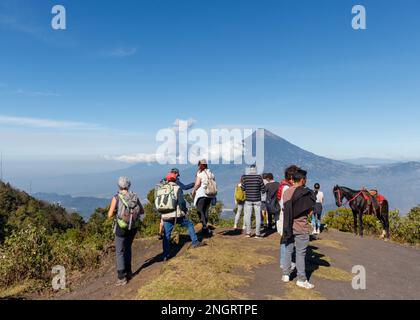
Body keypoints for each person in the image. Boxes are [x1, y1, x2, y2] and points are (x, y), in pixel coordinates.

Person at [282, 169, 316, 290]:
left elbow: (284, 209)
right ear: (302, 180)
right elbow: (310, 210)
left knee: (288, 250)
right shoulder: (306, 194)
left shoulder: (286, 192)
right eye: (305, 179)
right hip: (301, 227)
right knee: (300, 253)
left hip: (287, 226)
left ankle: (286, 274)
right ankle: (301, 279)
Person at [108, 177, 145, 286]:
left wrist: (117, 212)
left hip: (122, 227)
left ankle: (121, 277)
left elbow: (109, 215)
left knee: (120, 251)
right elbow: (142, 211)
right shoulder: (135, 196)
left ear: (119, 186)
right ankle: (129, 273)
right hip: (133, 227)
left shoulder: (117, 197)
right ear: (129, 185)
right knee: (128, 248)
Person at [161, 173, 205, 261]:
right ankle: (195, 242)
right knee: (189, 224)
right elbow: (181, 203)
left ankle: (166, 254)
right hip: (176, 215)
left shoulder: (162, 189)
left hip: (165, 215)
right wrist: (184, 210)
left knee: (166, 235)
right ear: (175, 179)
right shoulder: (177, 188)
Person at [158, 168, 194, 240]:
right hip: (175, 212)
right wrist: (194, 184)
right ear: (176, 174)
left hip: (164, 209)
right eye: (177, 175)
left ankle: (160, 234)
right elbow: (184, 188)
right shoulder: (175, 182)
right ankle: (195, 241)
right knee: (189, 224)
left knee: (166, 231)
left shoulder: (163, 181)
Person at [277, 165, 300, 270]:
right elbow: (286, 205)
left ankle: (284, 261)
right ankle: (286, 262)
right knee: (287, 240)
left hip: (284, 216)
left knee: (285, 240)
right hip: (287, 217)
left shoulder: (283, 185)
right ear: (292, 176)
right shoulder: (287, 188)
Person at [192, 159, 216, 236]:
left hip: (202, 194)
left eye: (199, 165)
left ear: (201, 165)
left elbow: (197, 184)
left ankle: (204, 226)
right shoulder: (211, 173)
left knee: (199, 210)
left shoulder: (200, 174)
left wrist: (193, 190)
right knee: (205, 210)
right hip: (210, 194)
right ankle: (205, 227)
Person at [241, 165, 266, 239]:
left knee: (248, 217)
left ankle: (248, 233)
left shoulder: (245, 177)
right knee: (258, 217)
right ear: (256, 170)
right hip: (257, 200)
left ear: (250, 170)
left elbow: (242, 188)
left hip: (248, 199)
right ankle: (257, 234)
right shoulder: (259, 177)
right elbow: (263, 190)